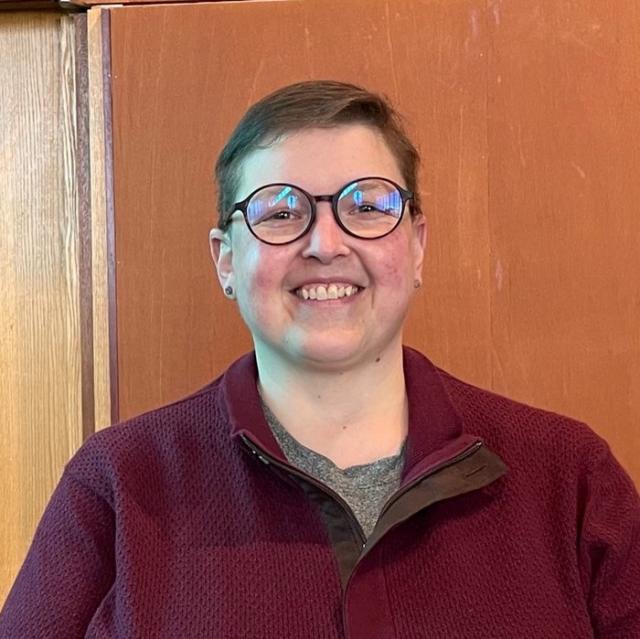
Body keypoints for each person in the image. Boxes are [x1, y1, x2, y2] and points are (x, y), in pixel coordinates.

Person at [1, 80, 639, 638]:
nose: (326, 243)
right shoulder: (118, 483)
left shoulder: (569, 476)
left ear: (416, 246)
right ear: (227, 259)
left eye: (367, 206)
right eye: (281, 212)